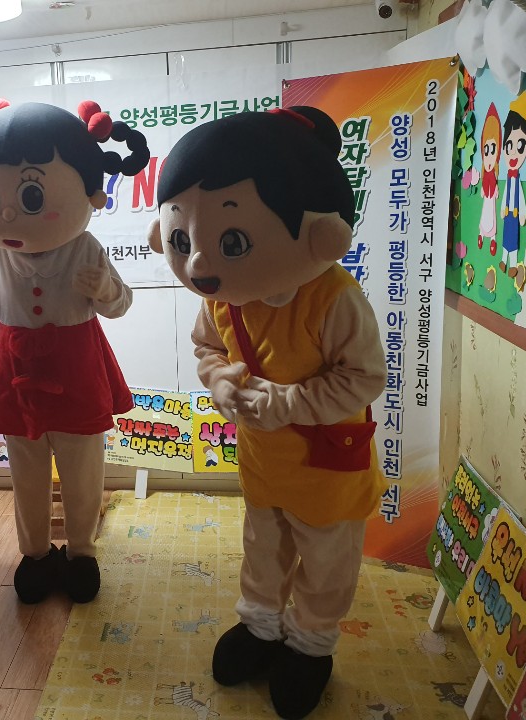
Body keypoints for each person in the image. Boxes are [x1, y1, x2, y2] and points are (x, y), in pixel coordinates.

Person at [149, 107, 387, 719]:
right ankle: (260, 626)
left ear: (318, 234)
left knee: (326, 561)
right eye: (181, 240)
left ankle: (310, 643)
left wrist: (290, 403)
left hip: (326, 468)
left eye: (230, 242)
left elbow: (365, 377)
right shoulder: (222, 296)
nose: (199, 265)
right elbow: (208, 349)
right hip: (263, 462)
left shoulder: (333, 298)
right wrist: (220, 383)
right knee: (263, 545)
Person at [0, 99, 149, 604]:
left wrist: (105, 289)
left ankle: (81, 552)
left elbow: (121, 304)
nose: (7, 212)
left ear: (90, 192)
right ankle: (34, 554)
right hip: (15, 368)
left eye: (31, 194)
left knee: (84, 472)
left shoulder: (86, 247)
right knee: (27, 472)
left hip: (77, 367)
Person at [500, 92, 526, 277]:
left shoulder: (517, 180)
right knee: (505, 237)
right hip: (507, 214)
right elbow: (506, 193)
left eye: (520, 146)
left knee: (513, 239)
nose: (513, 153)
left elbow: (520, 197)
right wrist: (501, 209)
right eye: (509, 146)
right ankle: (503, 260)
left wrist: (522, 214)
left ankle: (512, 264)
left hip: (514, 215)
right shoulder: (508, 178)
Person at [478, 103, 501, 257]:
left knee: (492, 217)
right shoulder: (484, 176)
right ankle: (481, 234)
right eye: (486, 150)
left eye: (492, 150)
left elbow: (496, 192)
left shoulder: (494, 175)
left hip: (491, 198)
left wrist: (495, 189)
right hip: (487, 197)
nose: (489, 155)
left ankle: (492, 239)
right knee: (484, 216)